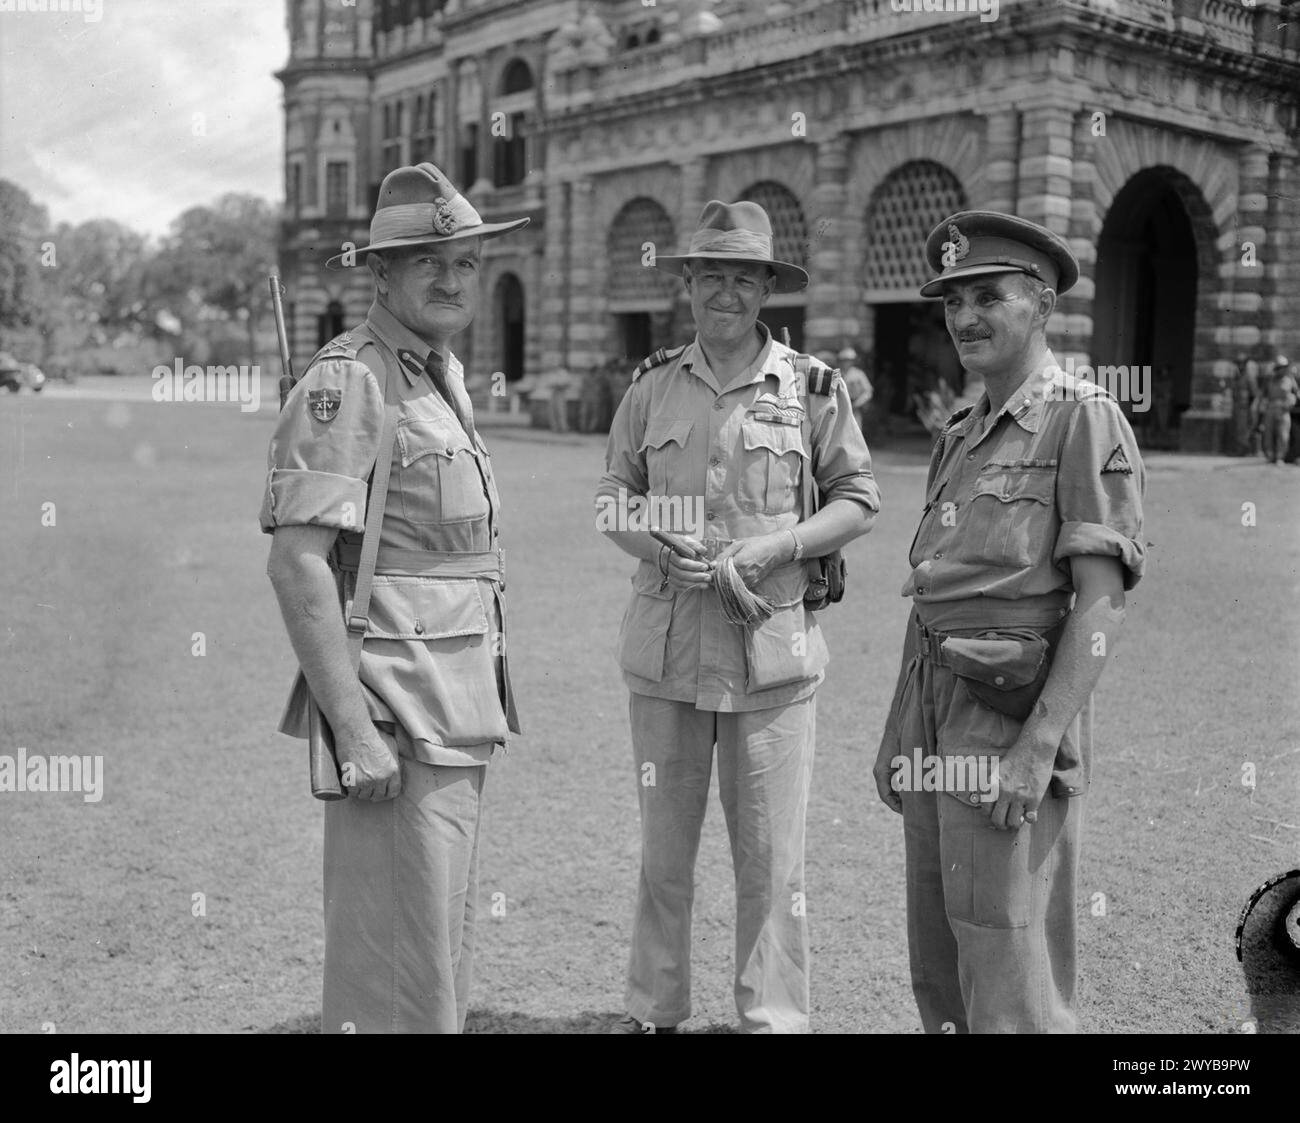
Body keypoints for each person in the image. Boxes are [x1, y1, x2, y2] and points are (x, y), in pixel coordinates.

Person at [596, 199, 881, 1033]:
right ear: (689, 283)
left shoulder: (814, 388)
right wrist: (654, 541)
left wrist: (776, 547)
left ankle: (775, 1017)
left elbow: (860, 497)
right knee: (663, 857)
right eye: (711, 274)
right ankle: (654, 1010)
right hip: (667, 656)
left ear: (766, 289)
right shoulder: (649, 386)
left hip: (770, 653)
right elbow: (611, 497)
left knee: (771, 861)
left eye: (744, 277)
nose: (727, 291)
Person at [260, 162, 526, 1033]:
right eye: (428, 262)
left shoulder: (434, 373)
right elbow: (299, 561)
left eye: (466, 263)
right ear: (380, 274)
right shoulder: (356, 380)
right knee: (392, 977)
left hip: (455, 706)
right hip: (395, 712)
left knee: (432, 958)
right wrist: (353, 730)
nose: (452, 279)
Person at [872, 211, 1146, 1033]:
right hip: (933, 705)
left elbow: (1103, 599)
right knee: (939, 943)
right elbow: (936, 589)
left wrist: (1039, 744)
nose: (964, 318)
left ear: (1043, 306)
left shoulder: (1082, 417)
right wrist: (901, 731)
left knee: (1005, 945)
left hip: (1008, 715)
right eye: (953, 301)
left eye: (988, 296)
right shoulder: (961, 431)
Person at [1261, 355, 1298, 465]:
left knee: (1283, 434)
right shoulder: (1270, 380)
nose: (1280, 370)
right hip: (1271, 409)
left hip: (1284, 410)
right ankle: (1270, 456)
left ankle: (1279, 457)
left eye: (1282, 367)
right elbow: (1263, 395)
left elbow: (1296, 394)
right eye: (1279, 367)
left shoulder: (1290, 380)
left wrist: (1291, 402)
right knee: (1269, 433)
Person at [1230, 350, 1260, 457]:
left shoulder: (1249, 377)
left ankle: (1245, 451)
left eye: (1241, 363)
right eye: (1238, 363)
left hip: (1246, 407)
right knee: (1238, 429)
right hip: (1238, 407)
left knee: (1244, 430)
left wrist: (1252, 408)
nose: (1239, 365)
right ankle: (1240, 450)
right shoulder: (1236, 377)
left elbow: (1255, 395)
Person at [839, 346, 873, 434]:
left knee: (855, 431)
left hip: (854, 407)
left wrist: (858, 403)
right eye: (844, 360)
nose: (846, 362)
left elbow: (868, 391)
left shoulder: (858, 374)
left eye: (848, 360)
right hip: (839, 407)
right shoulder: (837, 373)